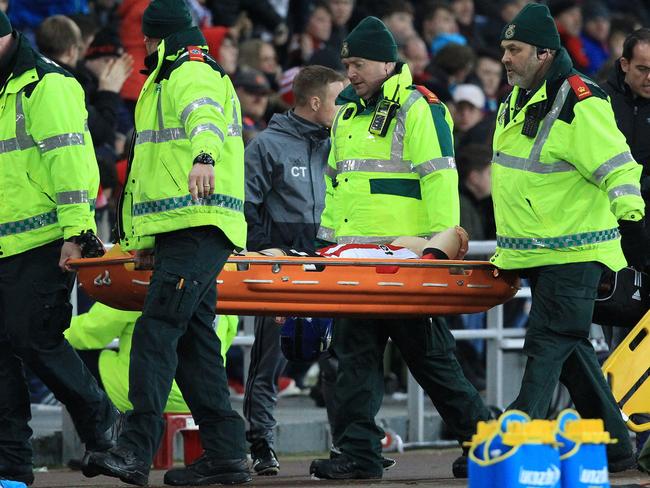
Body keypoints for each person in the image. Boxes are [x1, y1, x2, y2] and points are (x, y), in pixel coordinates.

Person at [309, 16, 491, 480]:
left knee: (432, 362)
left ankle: (485, 442)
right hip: (355, 263)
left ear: (388, 62)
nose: (350, 73)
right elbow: (337, 186)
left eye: (359, 64)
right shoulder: (347, 113)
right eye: (346, 64)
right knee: (355, 360)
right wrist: (327, 247)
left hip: (406, 264)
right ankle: (359, 454)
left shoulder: (418, 107)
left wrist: (439, 250)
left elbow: (439, 178)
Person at [85, 0, 251, 486]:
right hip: (185, 227)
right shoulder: (171, 75)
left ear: (154, 39)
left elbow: (205, 119)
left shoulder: (188, 71)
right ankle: (225, 455)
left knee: (157, 330)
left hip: (199, 223)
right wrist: (148, 235)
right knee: (194, 344)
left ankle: (135, 451)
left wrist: (203, 155)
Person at [494, 3, 646, 472]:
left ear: (544, 53)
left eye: (514, 50)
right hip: (539, 247)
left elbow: (616, 163)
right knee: (572, 347)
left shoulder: (581, 101)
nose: (505, 58)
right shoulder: (518, 97)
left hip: (577, 249)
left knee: (547, 340)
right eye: (503, 48)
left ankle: (517, 443)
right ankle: (617, 444)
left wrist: (632, 212)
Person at [0, 10, 119, 485]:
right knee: (3, 355)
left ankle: (101, 421)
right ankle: (10, 466)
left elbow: (72, 166)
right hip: (7, 242)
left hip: (44, 240)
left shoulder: (47, 85)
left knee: (35, 340)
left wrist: (77, 233)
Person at [243, 65, 345, 476]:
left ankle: (347, 444)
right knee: (270, 359)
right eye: (340, 100)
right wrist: (264, 249)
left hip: (331, 262)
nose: (348, 108)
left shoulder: (342, 143)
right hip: (281, 265)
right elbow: (245, 205)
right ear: (316, 102)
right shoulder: (266, 146)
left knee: (340, 359)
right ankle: (261, 444)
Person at [65, 302, 239, 414]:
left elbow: (89, 332)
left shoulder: (138, 286)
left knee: (71, 354)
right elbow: (225, 342)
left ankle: (98, 441)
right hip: (202, 396)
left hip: (144, 393)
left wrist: (50, 329)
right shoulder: (221, 292)